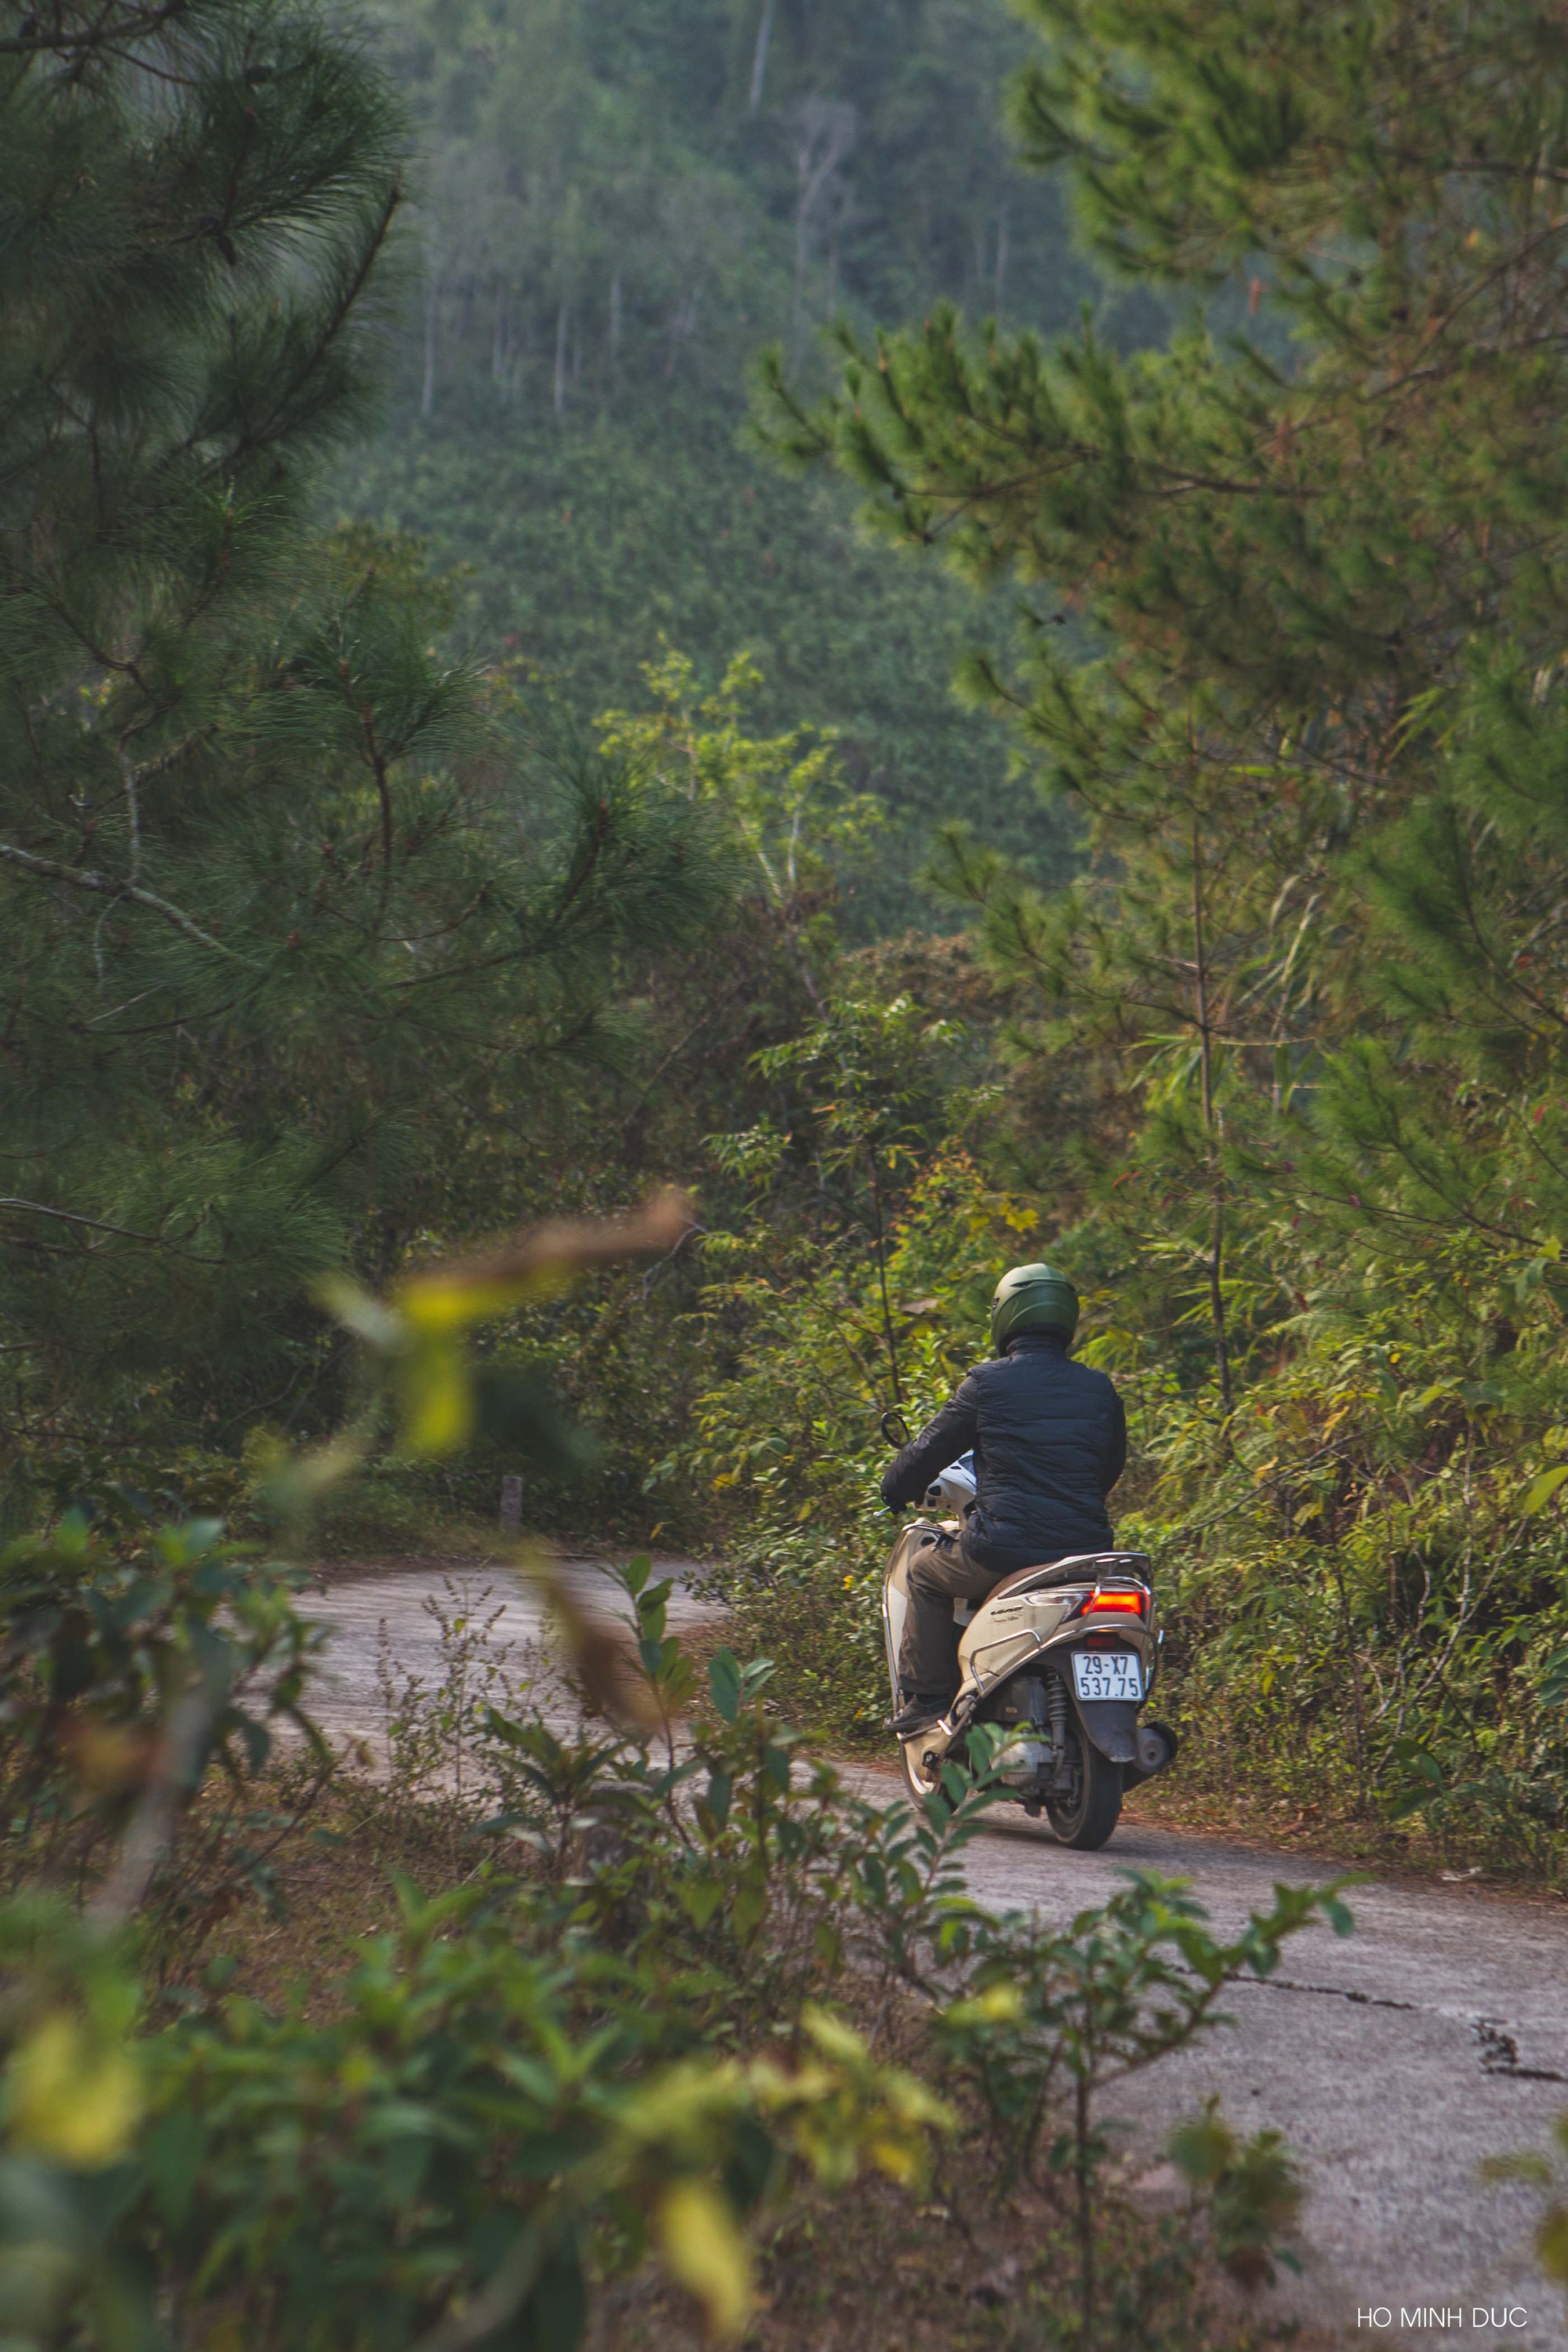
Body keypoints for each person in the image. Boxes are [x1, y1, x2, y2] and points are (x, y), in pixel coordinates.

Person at [882, 1262, 1127, 1736]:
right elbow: (1109, 1466)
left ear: (1006, 1315)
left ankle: (928, 1696)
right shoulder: (1099, 1388)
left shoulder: (987, 1383)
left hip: (1002, 1548)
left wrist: (894, 1489)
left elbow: (928, 1450)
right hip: (1085, 1550)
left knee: (924, 1573)